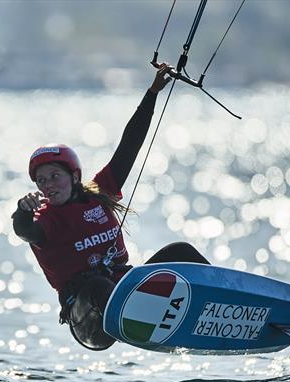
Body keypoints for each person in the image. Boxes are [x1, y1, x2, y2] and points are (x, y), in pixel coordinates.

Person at [12, 63, 210, 350]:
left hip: (127, 293)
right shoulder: (46, 219)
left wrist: (152, 92)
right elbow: (25, 231)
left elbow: (129, 145)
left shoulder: (99, 192)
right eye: (41, 181)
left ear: (75, 176)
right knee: (97, 286)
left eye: (54, 176)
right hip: (90, 318)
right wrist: (22, 211)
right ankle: (153, 322)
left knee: (182, 252)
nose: (48, 186)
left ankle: (218, 308)